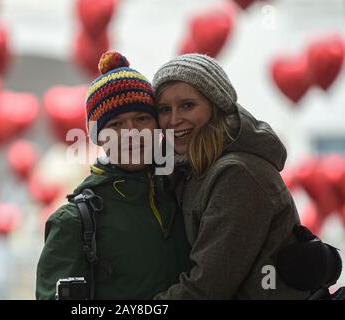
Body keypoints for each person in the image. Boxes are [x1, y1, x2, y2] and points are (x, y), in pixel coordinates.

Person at [151, 53, 312, 299]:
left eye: (187, 105)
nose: (174, 120)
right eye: (164, 109)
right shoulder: (192, 170)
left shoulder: (236, 174)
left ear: (216, 107)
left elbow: (207, 289)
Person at [35, 51, 191, 300]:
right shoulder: (75, 222)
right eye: (116, 124)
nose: (132, 132)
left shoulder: (185, 191)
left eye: (141, 118)